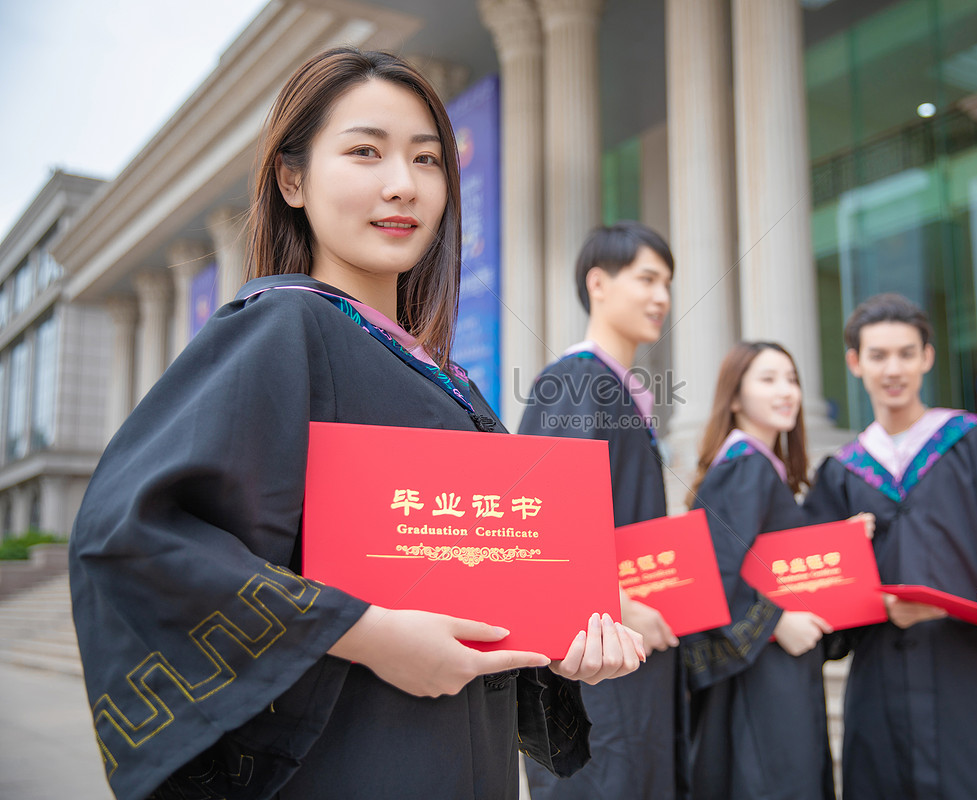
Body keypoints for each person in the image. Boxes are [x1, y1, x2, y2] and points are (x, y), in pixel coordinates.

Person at [68, 47, 643, 800]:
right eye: (366, 151)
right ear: (293, 178)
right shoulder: (281, 327)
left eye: (428, 159)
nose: (402, 184)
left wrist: (555, 639)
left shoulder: (442, 375)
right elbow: (133, 535)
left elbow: (466, 580)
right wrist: (367, 633)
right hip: (359, 761)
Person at [802, 293, 977, 800]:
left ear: (927, 357)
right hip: (879, 674)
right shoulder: (842, 471)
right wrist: (866, 592)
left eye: (906, 353)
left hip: (966, 666)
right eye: (877, 355)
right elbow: (820, 584)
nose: (893, 369)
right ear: (855, 362)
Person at [519, 221, 685, 799]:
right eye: (647, 278)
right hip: (592, 662)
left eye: (668, 282)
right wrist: (618, 601)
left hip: (628, 653)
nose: (661, 296)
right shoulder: (574, 381)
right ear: (598, 283)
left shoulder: (619, 390)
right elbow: (537, 524)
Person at [682, 341, 837, 800]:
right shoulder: (745, 466)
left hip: (767, 666)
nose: (786, 391)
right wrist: (777, 621)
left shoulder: (761, 467)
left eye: (792, 379)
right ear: (734, 398)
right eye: (768, 380)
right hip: (760, 673)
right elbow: (714, 568)